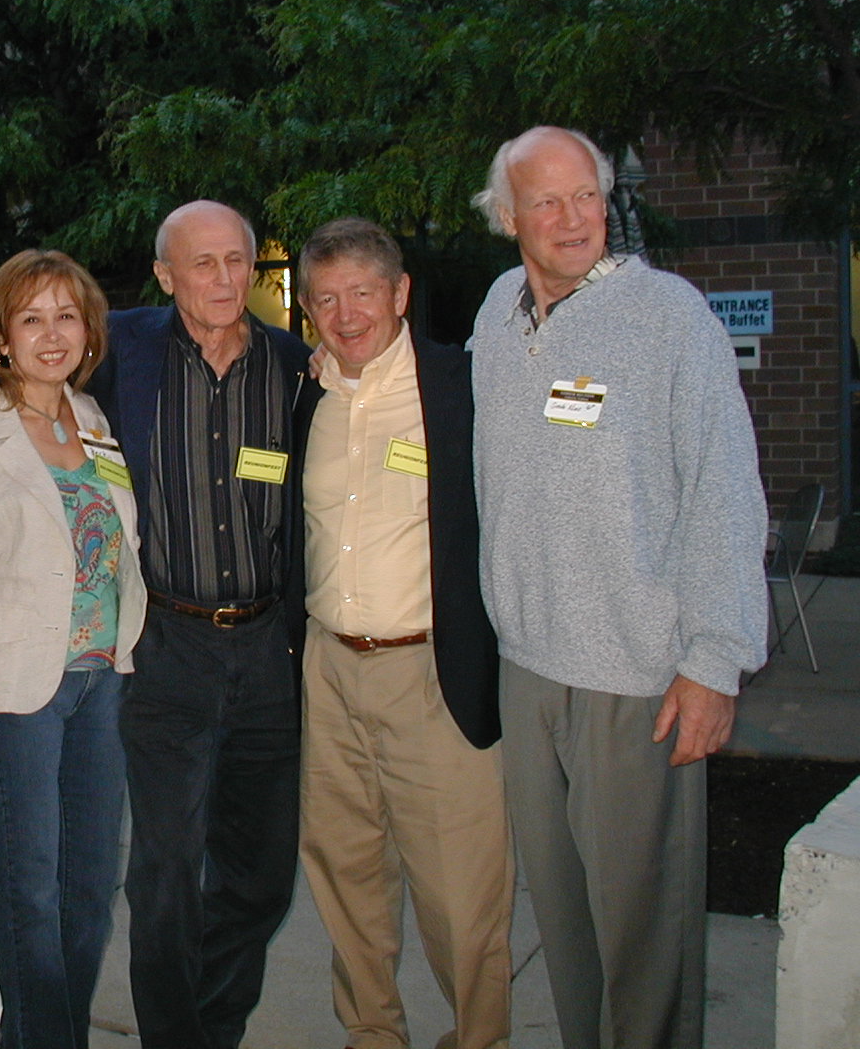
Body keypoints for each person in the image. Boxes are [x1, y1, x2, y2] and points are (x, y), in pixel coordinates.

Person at [0, 200, 312, 1049]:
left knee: (246, 879)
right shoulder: (129, 356)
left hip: (234, 651)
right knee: (134, 878)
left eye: (236, 260)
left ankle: (212, 1025)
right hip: (152, 651)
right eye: (200, 263)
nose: (221, 278)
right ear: (166, 276)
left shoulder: (288, 365)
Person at [469, 126, 767, 1049]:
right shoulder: (496, 311)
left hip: (637, 678)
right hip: (527, 668)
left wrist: (714, 660)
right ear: (508, 217)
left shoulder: (670, 318)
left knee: (645, 940)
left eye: (588, 196)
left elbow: (724, 487)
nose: (574, 219)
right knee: (565, 927)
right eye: (547, 202)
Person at [0, 250, 147, 1049]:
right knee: (29, 899)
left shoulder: (93, 420)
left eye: (66, 316)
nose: (53, 335)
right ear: (0, 337)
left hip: (99, 687)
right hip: (12, 701)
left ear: (88, 330)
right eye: (32, 318)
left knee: (88, 895)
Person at [293, 218, 511, 1049]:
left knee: (462, 893)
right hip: (328, 671)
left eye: (362, 292)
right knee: (346, 877)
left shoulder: (462, 387)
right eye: (325, 299)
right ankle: (372, 1033)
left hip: (432, 674)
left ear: (400, 293)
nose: (345, 315)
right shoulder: (305, 394)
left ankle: (479, 1038)